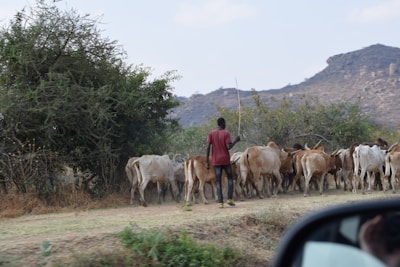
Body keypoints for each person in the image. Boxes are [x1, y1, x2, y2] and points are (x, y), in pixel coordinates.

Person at [206, 117, 240, 208]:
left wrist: (206, 161)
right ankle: (229, 199)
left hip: (216, 161)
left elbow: (208, 147)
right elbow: (228, 147)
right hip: (225, 160)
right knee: (230, 178)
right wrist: (236, 141)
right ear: (223, 123)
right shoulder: (226, 133)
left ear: (218, 124)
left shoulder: (211, 133)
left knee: (218, 181)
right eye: (225, 123)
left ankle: (220, 202)